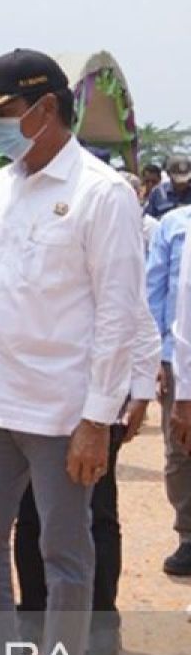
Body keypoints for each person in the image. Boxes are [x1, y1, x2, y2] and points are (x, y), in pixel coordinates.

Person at [0, 49, 143, 655]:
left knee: (63, 550)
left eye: (4, 115)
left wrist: (96, 419)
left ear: (45, 109)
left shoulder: (100, 194)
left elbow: (118, 313)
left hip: (62, 409)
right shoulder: (2, 185)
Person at [14, 292, 159, 655]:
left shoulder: (105, 235)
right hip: (28, 392)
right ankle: (33, 611)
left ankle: (99, 620)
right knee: (30, 511)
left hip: (95, 396)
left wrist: (141, 390)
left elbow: (135, 314)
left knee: (95, 511)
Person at [147, 201, 191, 576]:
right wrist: (158, 359)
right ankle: (188, 535)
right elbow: (155, 294)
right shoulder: (174, 226)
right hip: (179, 358)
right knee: (180, 449)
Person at [144, 154, 191, 219]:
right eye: (178, 180)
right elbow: (148, 220)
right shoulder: (157, 193)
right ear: (168, 174)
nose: (182, 183)